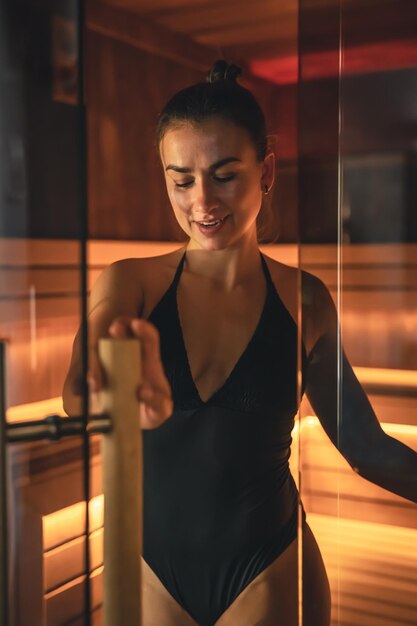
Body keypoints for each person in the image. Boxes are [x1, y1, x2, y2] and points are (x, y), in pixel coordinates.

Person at [63, 60, 417, 626]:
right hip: (151, 570)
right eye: (181, 180)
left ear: (267, 171)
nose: (201, 200)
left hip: (269, 569)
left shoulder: (307, 300)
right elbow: (79, 396)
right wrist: (115, 370)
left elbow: (366, 447)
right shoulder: (129, 283)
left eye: (224, 175)